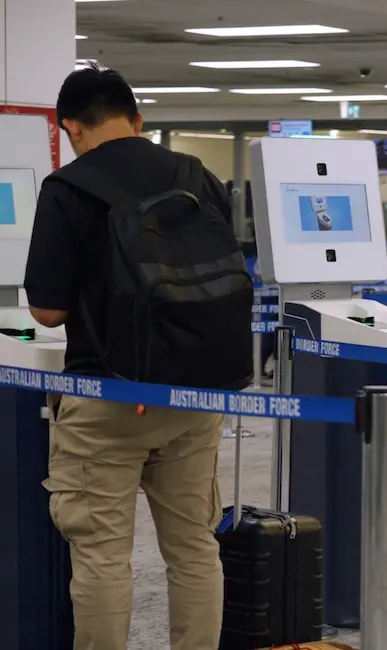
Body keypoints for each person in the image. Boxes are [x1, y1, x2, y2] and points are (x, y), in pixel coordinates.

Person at [24, 65, 234, 649]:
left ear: (71, 127)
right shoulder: (199, 176)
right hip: (195, 392)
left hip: (106, 397)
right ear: (138, 120)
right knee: (194, 547)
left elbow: (47, 311)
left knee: (101, 556)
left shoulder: (67, 188)